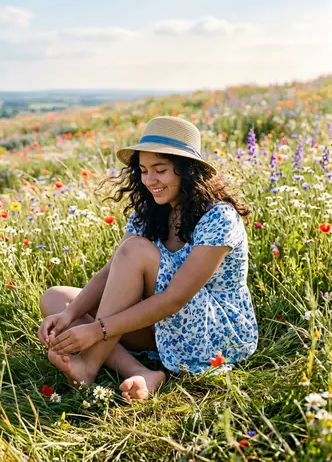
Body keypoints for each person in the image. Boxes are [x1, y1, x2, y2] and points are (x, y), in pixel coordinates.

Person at [38, 116, 258, 401]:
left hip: (214, 333)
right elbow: (111, 271)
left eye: (160, 169)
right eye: (143, 170)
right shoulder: (152, 210)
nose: (150, 180)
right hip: (163, 322)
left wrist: (97, 329)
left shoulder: (219, 217)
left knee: (134, 252)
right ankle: (143, 373)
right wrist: (70, 314)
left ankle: (87, 366)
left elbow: (175, 298)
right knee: (56, 298)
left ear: (186, 171)